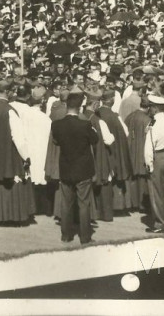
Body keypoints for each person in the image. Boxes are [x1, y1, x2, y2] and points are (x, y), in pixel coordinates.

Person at [50, 87, 98, 244]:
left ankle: (66, 235)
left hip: (66, 167)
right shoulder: (85, 125)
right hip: (83, 168)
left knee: (66, 203)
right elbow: (95, 140)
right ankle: (85, 237)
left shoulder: (56, 125)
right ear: (79, 108)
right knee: (84, 204)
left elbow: (56, 142)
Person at [0, 79, 34, 224]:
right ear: (7, 92)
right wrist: (26, 156)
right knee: (10, 181)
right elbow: (18, 137)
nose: (13, 94)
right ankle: (11, 217)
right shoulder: (9, 111)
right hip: (8, 153)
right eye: (12, 91)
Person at [144, 93, 164, 233]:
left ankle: (159, 224)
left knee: (156, 192)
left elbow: (148, 146)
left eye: (150, 107)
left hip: (157, 156)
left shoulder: (153, 124)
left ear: (155, 108)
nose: (149, 110)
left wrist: (149, 163)